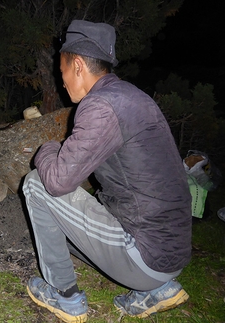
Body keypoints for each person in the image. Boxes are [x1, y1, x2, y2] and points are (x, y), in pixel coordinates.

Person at [22, 20, 192, 323]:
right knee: (63, 234)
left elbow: (58, 181)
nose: (61, 82)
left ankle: (64, 296)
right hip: (171, 252)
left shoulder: (100, 105)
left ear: (77, 65)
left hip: (145, 254)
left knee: (37, 184)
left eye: (61, 72)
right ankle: (157, 290)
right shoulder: (133, 97)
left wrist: (45, 149)